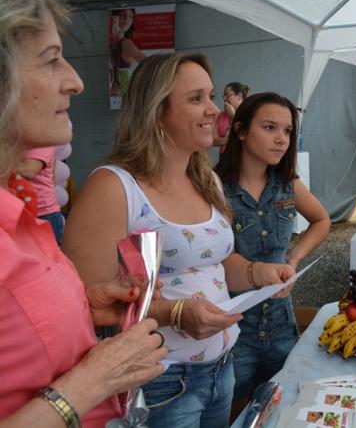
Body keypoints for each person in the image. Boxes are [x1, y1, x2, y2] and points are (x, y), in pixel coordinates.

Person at [63, 54, 295, 428]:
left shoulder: (207, 180)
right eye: (196, 98)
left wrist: (259, 272)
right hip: (159, 379)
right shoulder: (114, 187)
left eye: (212, 95)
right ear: (156, 111)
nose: (215, 109)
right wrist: (173, 313)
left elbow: (216, 264)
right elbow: (82, 302)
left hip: (222, 369)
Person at [0, 0, 166, 427]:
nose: (76, 81)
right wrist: (94, 380)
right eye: (52, 60)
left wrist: (82, 305)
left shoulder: (18, 211)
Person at [214, 92, 331, 415]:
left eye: (287, 131)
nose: (281, 139)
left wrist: (292, 260)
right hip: (233, 327)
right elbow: (216, 260)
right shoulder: (215, 187)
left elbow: (322, 221)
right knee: (233, 413)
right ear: (240, 131)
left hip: (281, 321)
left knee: (279, 408)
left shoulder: (287, 183)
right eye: (269, 127)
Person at [16, 147, 64, 243]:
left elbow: (29, 170)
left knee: (43, 256)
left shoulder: (41, 144)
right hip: (22, 211)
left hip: (42, 214)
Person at [109, 8, 146, 99]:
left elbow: (146, 61)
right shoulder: (110, 45)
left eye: (130, 17)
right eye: (123, 15)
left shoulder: (126, 43)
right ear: (114, 18)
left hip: (122, 92)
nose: (127, 19)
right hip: (111, 92)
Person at [213, 82, 250, 155]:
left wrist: (233, 116)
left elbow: (248, 136)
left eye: (227, 95)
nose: (224, 99)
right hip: (225, 157)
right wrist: (236, 137)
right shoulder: (221, 116)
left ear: (239, 96)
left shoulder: (249, 113)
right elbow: (213, 140)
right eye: (224, 96)